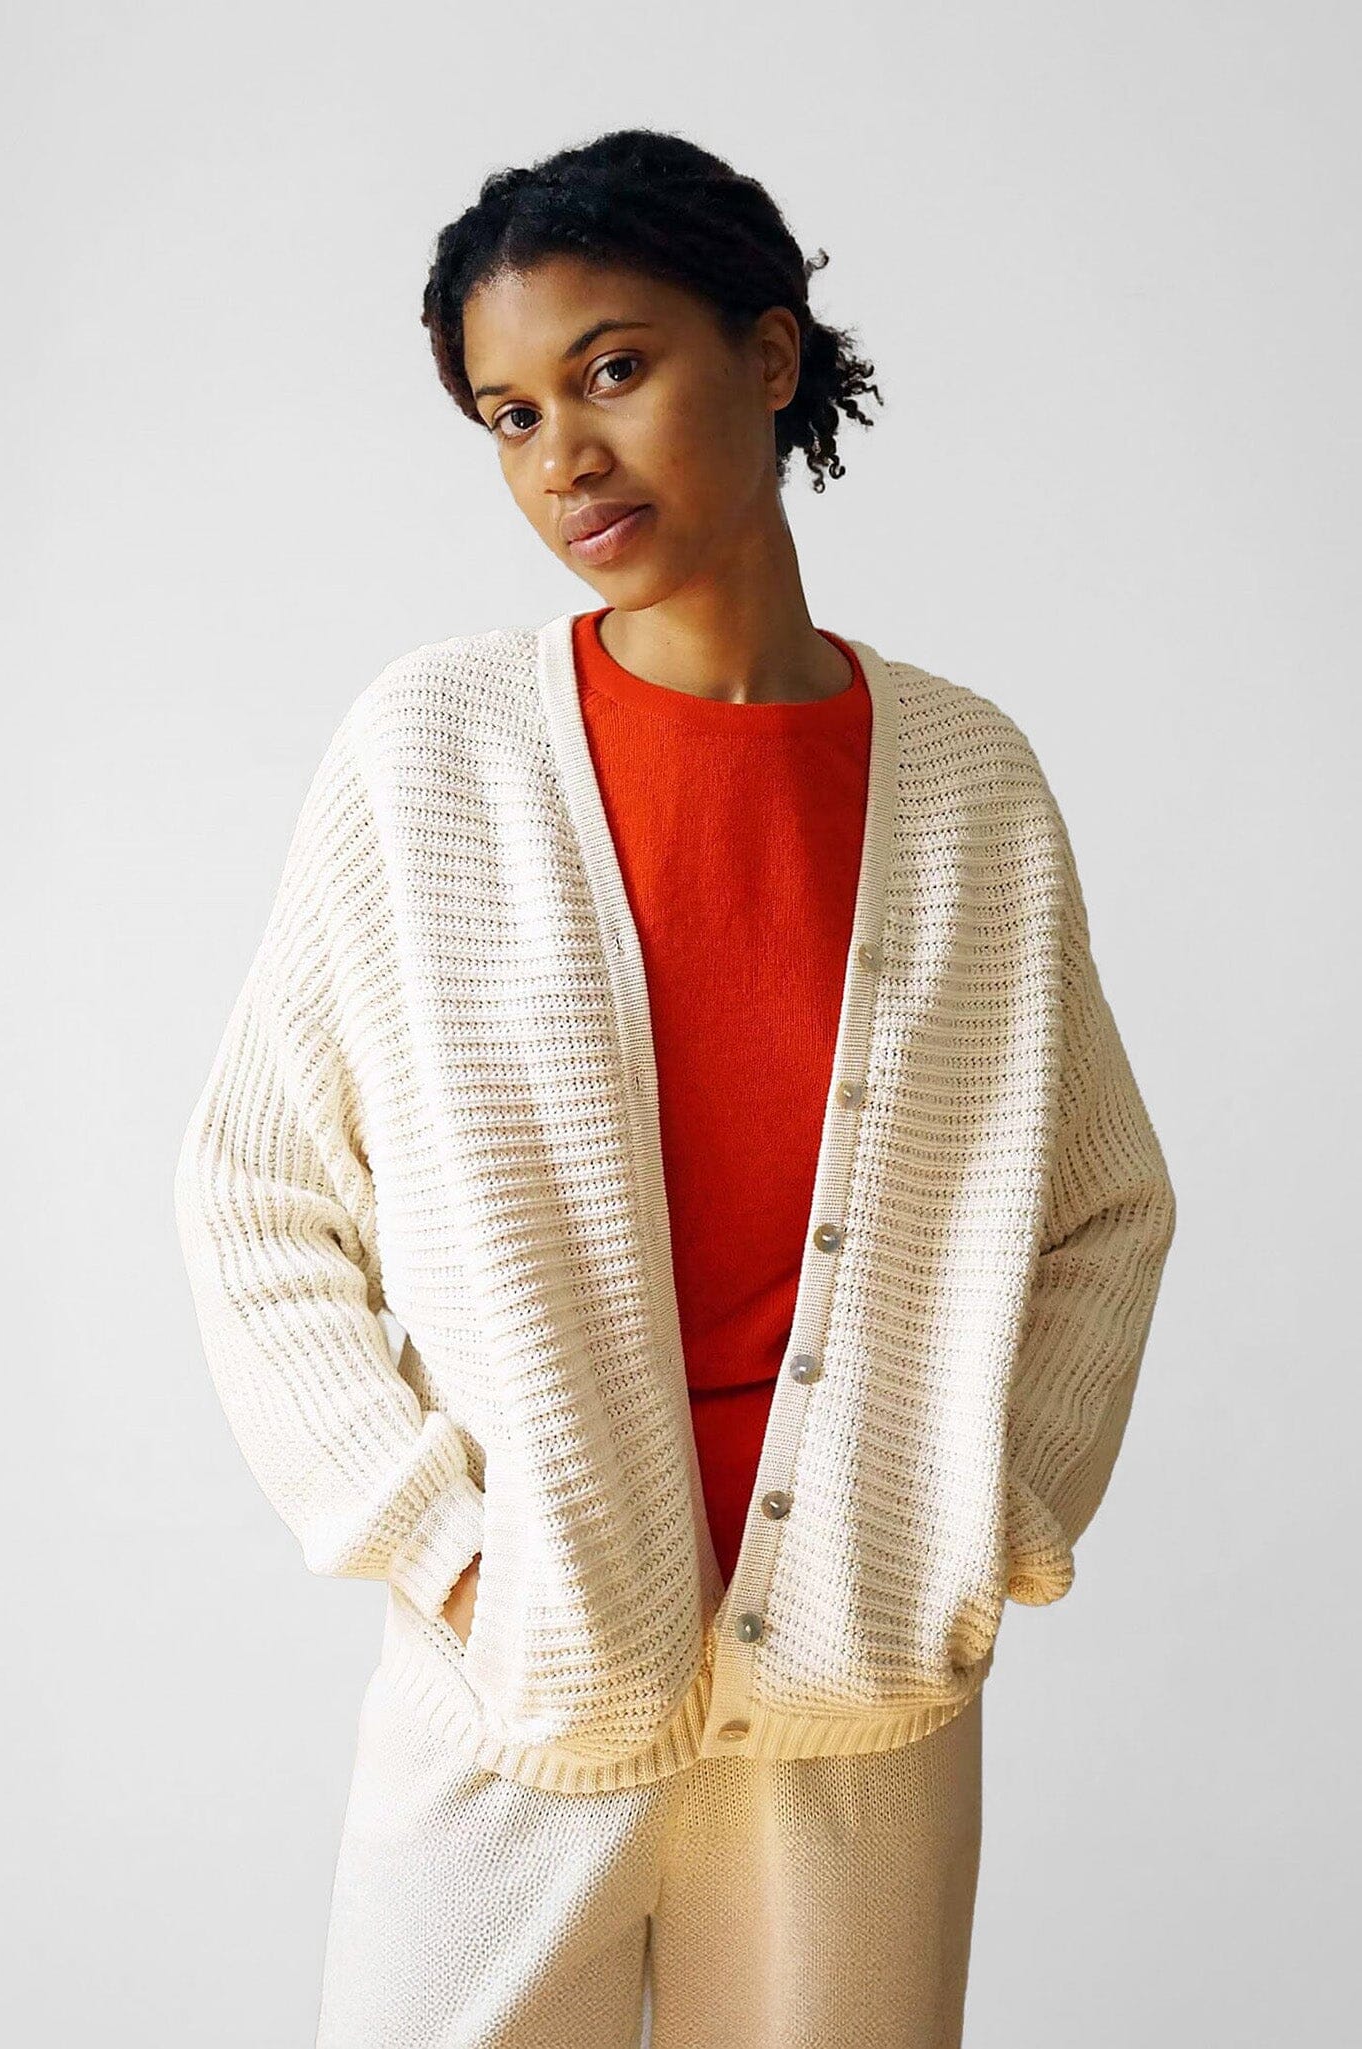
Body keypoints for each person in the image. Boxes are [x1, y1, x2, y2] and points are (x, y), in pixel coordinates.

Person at [173, 126, 1177, 2049]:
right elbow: (256, 1196)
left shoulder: (966, 782)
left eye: (613, 368)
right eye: (508, 411)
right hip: (518, 1679)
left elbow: (1101, 1204)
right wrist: (449, 1557)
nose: (562, 455)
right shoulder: (433, 755)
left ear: (772, 356)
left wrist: (991, 1511)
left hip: (858, 1689)